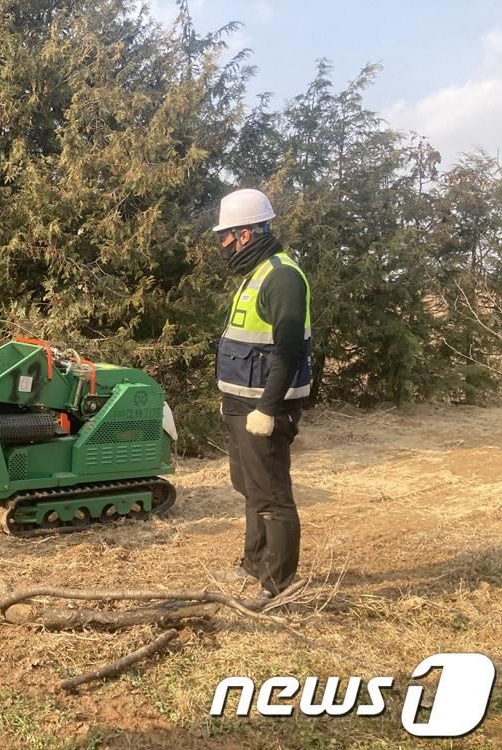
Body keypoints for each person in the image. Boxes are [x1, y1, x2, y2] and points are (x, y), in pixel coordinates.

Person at [212, 188, 311, 603]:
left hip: (263, 407)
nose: (223, 246)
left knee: (271, 493)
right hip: (241, 404)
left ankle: (277, 584)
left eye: (226, 237)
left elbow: (289, 351)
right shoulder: (256, 275)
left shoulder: (282, 277)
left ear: (246, 234)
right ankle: (254, 563)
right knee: (250, 486)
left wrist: (268, 409)